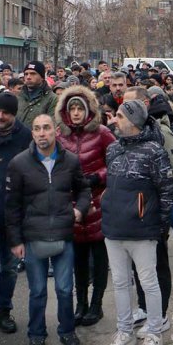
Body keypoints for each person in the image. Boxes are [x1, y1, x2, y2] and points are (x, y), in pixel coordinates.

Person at [5, 114, 90, 345]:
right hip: (33, 237)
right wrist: (15, 241)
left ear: (55, 131)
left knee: (64, 289)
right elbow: (11, 206)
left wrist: (80, 210)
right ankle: (36, 333)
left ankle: (67, 330)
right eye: (37, 129)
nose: (42, 133)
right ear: (32, 133)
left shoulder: (70, 161)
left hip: (64, 234)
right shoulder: (19, 163)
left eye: (46, 128)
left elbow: (83, 190)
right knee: (38, 291)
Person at [101, 100, 173, 345]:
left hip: (143, 231)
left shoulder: (153, 150)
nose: (114, 120)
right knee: (121, 283)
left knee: (148, 282)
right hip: (114, 229)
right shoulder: (113, 149)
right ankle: (124, 330)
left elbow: (167, 190)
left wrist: (160, 225)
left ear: (133, 121)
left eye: (120, 116)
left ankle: (154, 330)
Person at [55, 85, 116, 327]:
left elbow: (116, 161)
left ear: (88, 109)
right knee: (78, 259)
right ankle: (80, 303)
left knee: (99, 258)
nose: (77, 113)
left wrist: (97, 177)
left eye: (81, 108)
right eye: (73, 109)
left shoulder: (102, 133)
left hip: (99, 202)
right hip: (72, 204)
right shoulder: (61, 135)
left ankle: (96, 304)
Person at [0, 92, 33, 335]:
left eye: (6, 113)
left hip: (12, 213)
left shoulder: (25, 137)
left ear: (14, 115)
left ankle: (3, 310)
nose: (0, 117)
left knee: (9, 267)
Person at [18, 61, 58, 127]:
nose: (28, 77)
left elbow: (52, 125)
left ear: (42, 77)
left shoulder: (52, 99)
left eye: (33, 74)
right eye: (26, 74)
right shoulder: (18, 96)